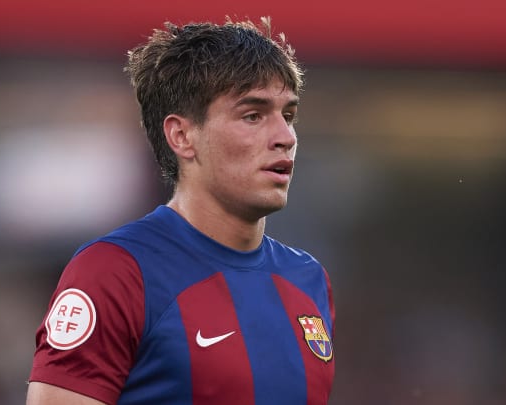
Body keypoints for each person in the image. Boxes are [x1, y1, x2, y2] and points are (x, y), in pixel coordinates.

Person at [26, 17, 335, 405]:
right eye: (253, 115)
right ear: (182, 136)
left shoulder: (308, 279)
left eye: (287, 116)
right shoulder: (114, 273)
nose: (285, 137)